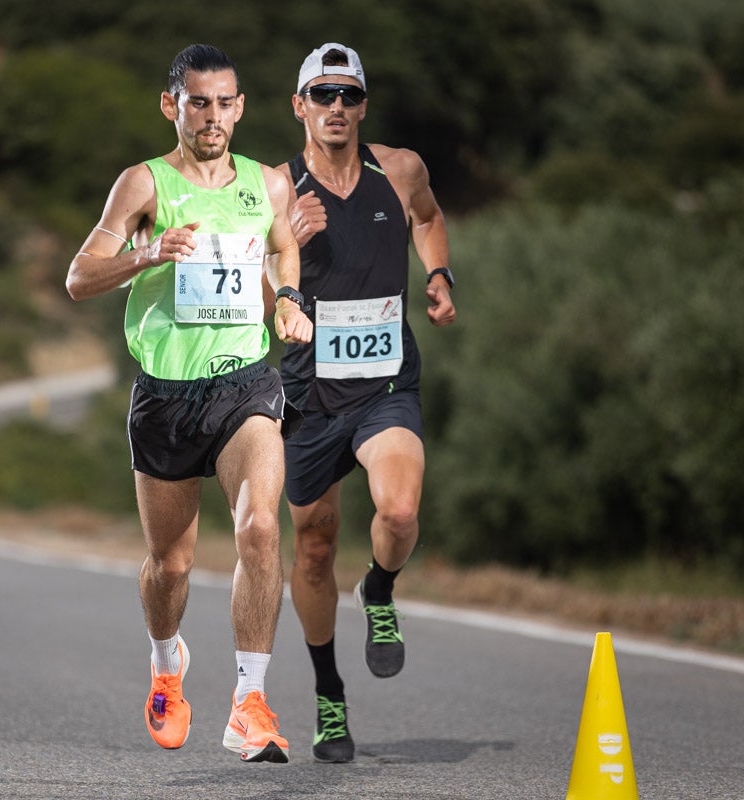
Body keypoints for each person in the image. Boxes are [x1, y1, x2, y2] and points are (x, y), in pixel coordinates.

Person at [65, 44, 312, 763]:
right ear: (172, 105)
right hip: (166, 394)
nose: (212, 116)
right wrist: (147, 254)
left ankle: (250, 703)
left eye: (225, 102)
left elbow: (282, 251)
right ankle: (167, 663)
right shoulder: (143, 183)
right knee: (169, 565)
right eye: (197, 102)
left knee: (262, 528)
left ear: (240, 106)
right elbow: (79, 277)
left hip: (245, 384)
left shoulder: (269, 183)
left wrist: (290, 301)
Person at [277, 43, 456, 762]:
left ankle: (379, 590)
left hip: (386, 385)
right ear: (299, 106)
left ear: (363, 107)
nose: (336, 108)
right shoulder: (274, 187)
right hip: (309, 398)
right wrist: (280, 251)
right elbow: (261, 281)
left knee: (401, 511)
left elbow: (428, 216)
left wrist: (438, 273)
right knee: (314, 547)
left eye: (349, 96)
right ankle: (328, 697)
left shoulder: (399, 168)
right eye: (322, 95)